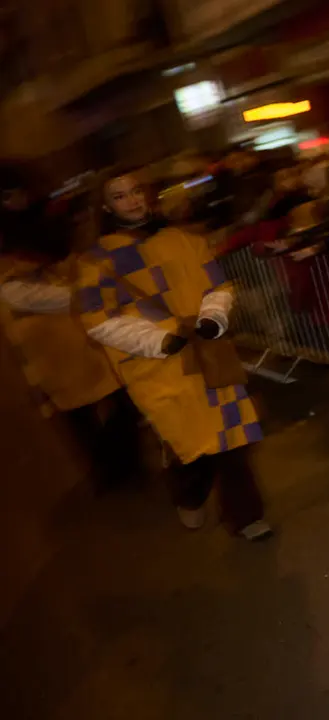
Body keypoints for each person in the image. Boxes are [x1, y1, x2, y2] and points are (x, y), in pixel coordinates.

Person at [76, 169, 271, 540]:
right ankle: (189, 490)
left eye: (136, 191)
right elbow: (98, 319)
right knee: (191, 442)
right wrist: (157, 341)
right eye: (120, 196)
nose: (133, 201)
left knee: (231, 439)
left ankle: (247, 517)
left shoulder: (183, 239)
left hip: (207, 352)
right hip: (158, 367)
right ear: (105, 206)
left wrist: (213, 316)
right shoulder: (97, 261)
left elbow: (217, 285)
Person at [0, 169, 141, 494]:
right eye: (10, 195)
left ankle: (121, 466)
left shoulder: (41, 222)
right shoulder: (12, 242)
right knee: (81, 412)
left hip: (78, 331)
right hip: (48, 340)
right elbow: (16, 292)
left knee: (114, 397)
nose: (18, 199)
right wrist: (80, 295)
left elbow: (71, 257)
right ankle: (109, 470)